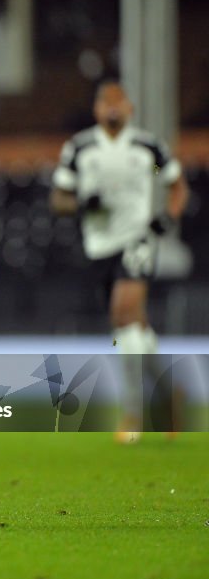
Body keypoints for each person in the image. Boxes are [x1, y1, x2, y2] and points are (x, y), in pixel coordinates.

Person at [49, 79, 189, 442]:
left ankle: (133, 415)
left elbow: (173, 183)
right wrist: (81, 203)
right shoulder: (81, 148)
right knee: (134, 328)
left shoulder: (147, 149)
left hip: (136, 240)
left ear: (130, 108)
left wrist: (168, 216)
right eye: (105, 103)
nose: (112, 108)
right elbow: (59, 198)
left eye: (118, 102)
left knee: (123, 314)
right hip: (98, 247)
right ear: (96, 110)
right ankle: (169, 398)